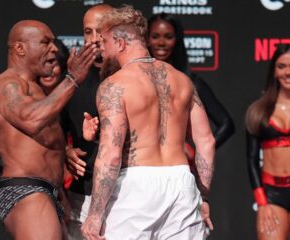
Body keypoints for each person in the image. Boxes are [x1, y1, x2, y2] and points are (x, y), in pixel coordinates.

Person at [80, 6, 215, 239]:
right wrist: (201, 196)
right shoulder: (182, 81)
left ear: (120, 43)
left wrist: (94, 214)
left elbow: (110, 154)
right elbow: (206, 141)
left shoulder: (115, 85)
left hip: (136, 186)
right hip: (181, 182)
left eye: (104, 41)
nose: (101, 47)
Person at [0, 20, 96, 239]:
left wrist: (64, 152)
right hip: (27, 190)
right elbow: (30, 119)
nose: (54, 48)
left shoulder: (36, 88)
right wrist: (73, 79)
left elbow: (33, 136)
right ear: (20, 48)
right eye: (46, 42)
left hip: (48, 193)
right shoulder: (8, 84)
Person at [147, 13, 235, 232]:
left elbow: (226, 123)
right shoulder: (134, 78)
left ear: (177, 40)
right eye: (155, 36)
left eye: (168, 36)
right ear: (146, 39)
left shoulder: (189, 81)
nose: (161, 42)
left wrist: (195, 151)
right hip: (142, 172)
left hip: (179, 171)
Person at [58, 4, 113, 239]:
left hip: (127, 195)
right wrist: (66, 150)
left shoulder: (132, 76)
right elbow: (54, 129)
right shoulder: (72, 80)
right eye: (87, 32)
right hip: (83, 196)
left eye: (100, 31)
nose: (93, 39)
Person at [0, 38, 70, 173]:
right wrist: (20, 176)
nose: (50, 69)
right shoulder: (24, 96)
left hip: (58, 184)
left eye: (54, 63)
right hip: (29, 185)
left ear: (63, 66)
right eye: (46, 63)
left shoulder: (68, 103)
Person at [246, 44, 290, 240]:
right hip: (273, 197)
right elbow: (252, 160)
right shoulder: (259, 111)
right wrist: (262, 202)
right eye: (282, 66)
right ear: (274, 70)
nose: (288, 72)